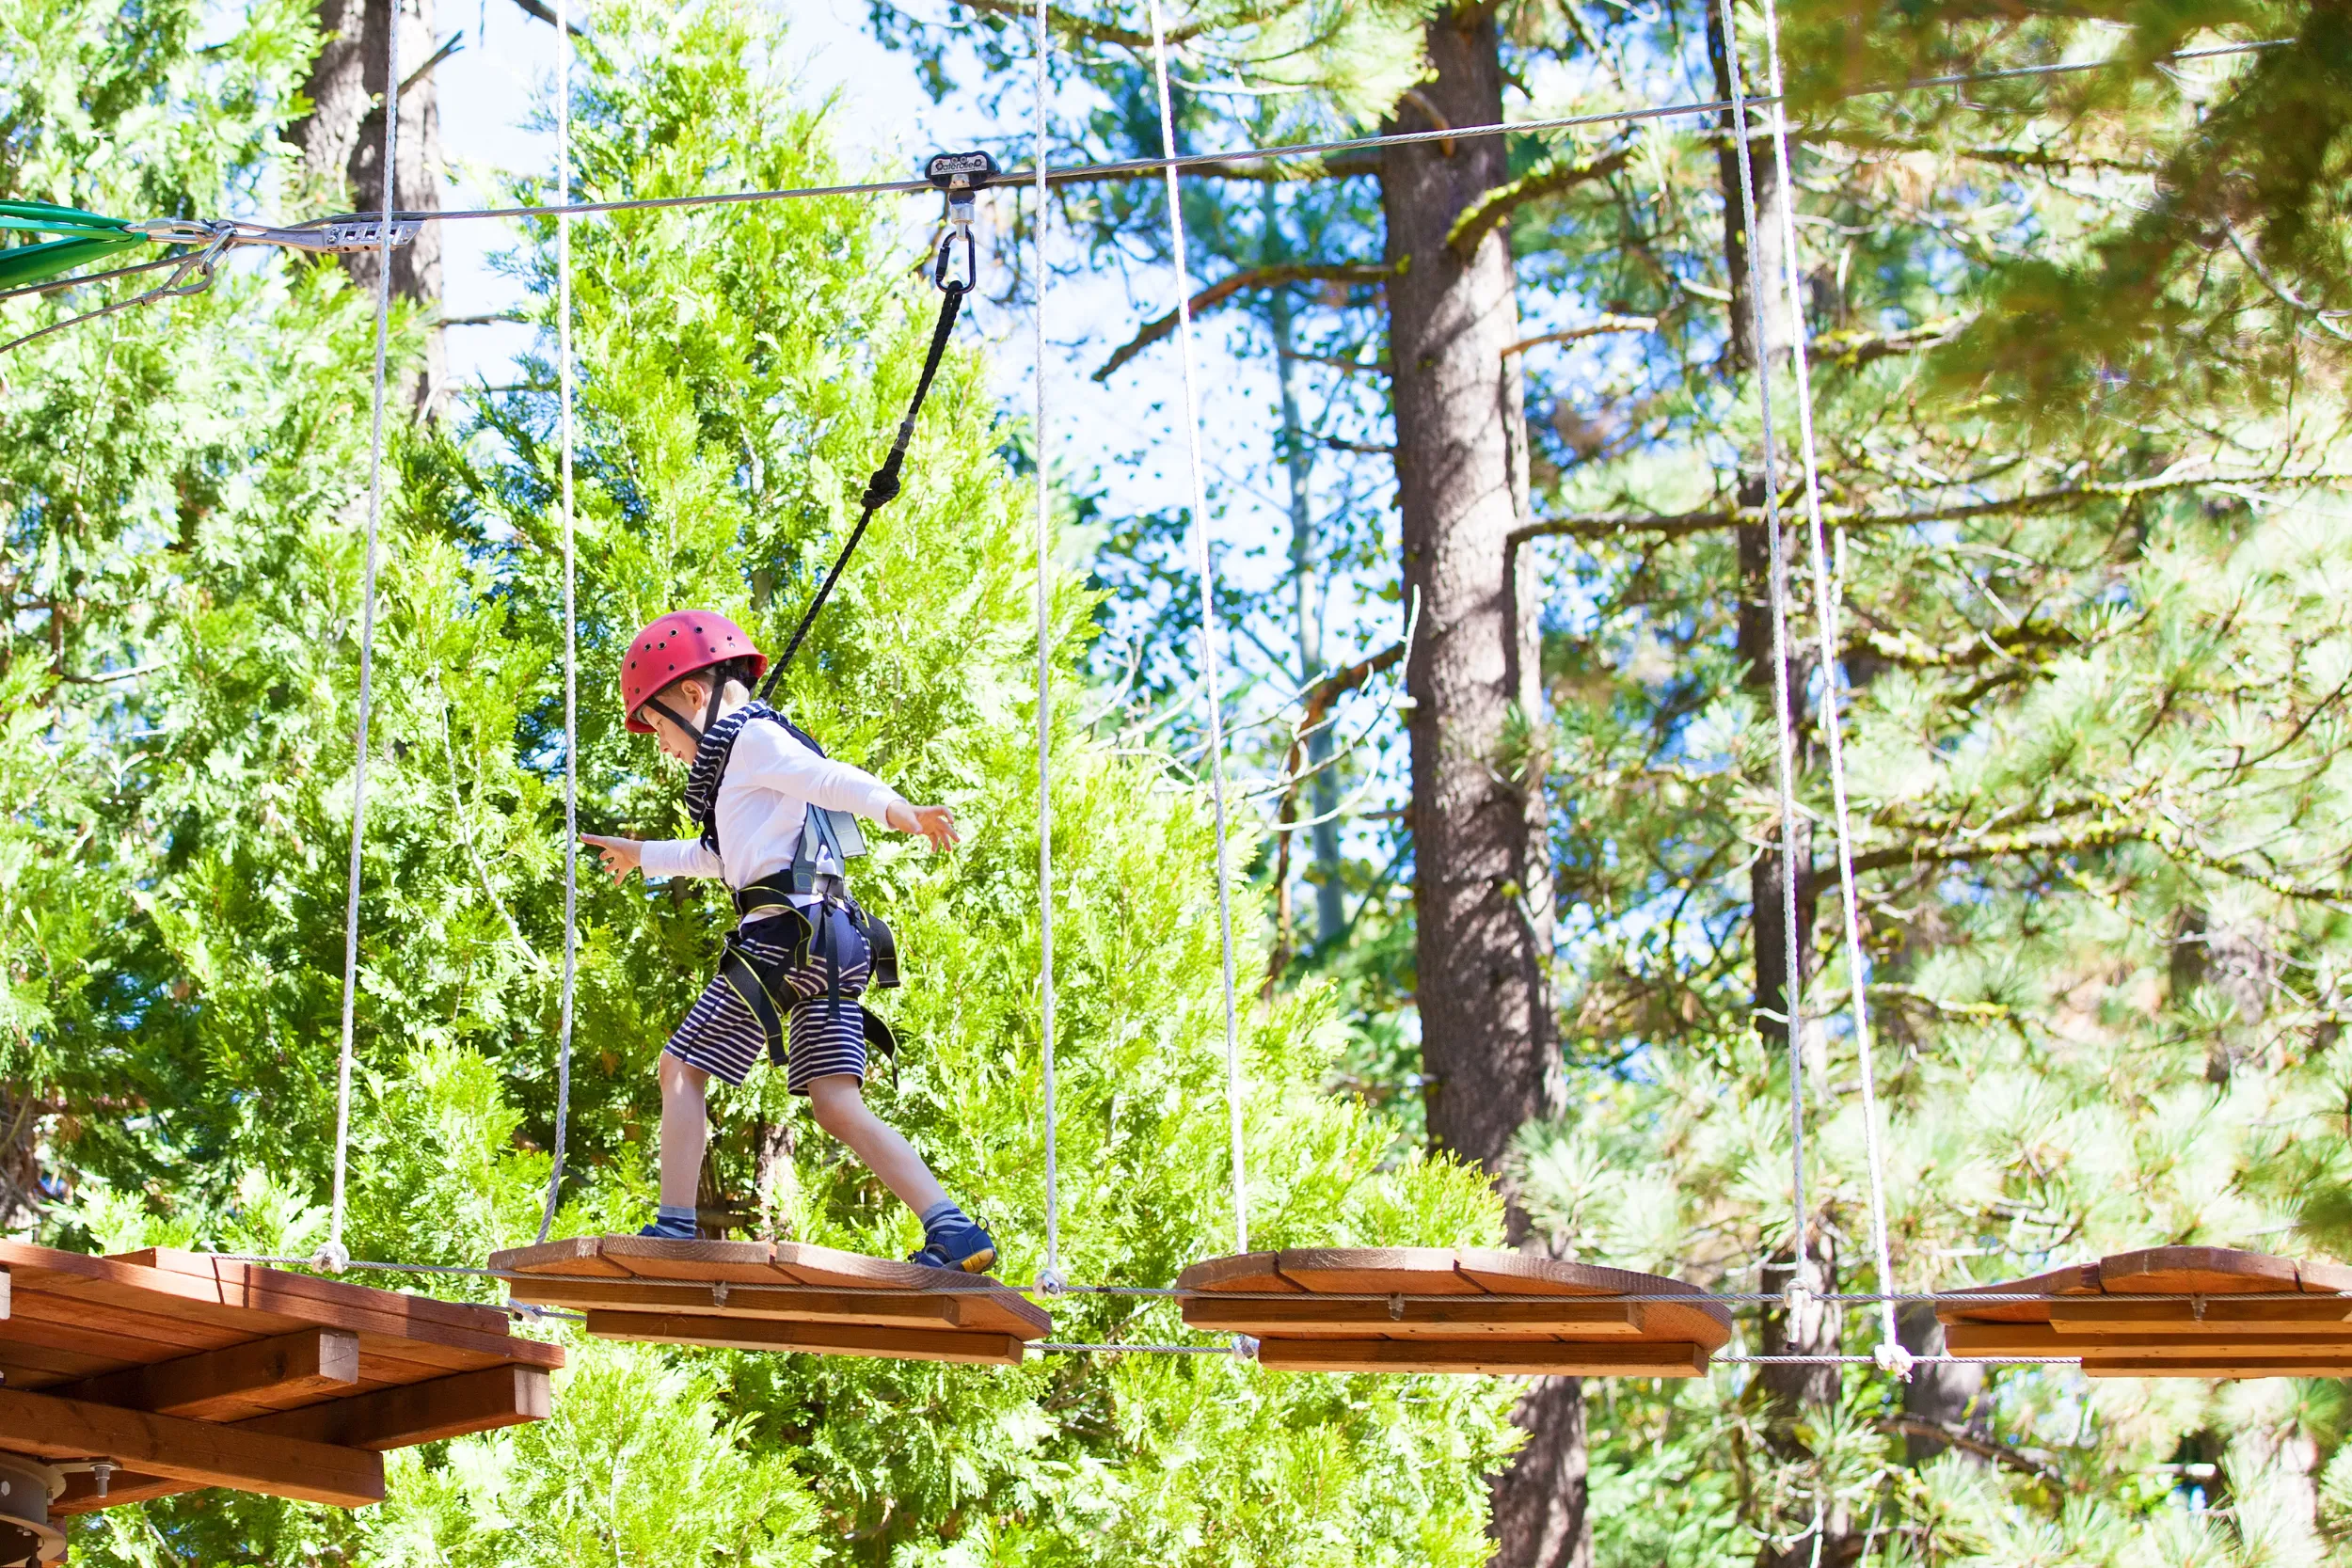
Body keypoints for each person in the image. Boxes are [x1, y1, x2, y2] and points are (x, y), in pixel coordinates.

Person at [580, 610, 996, 1273]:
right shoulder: (739, 769)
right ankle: (953, 1228)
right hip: (834, 937)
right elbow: (722, 858)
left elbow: (831, 779)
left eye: (658, 725)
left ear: (695, 695)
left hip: (783, 933)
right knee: (836, 1102)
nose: (662, 744)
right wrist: (643, 854)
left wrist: (900, 812)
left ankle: (675, 1229)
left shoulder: (752, 741)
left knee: (681, 1067)